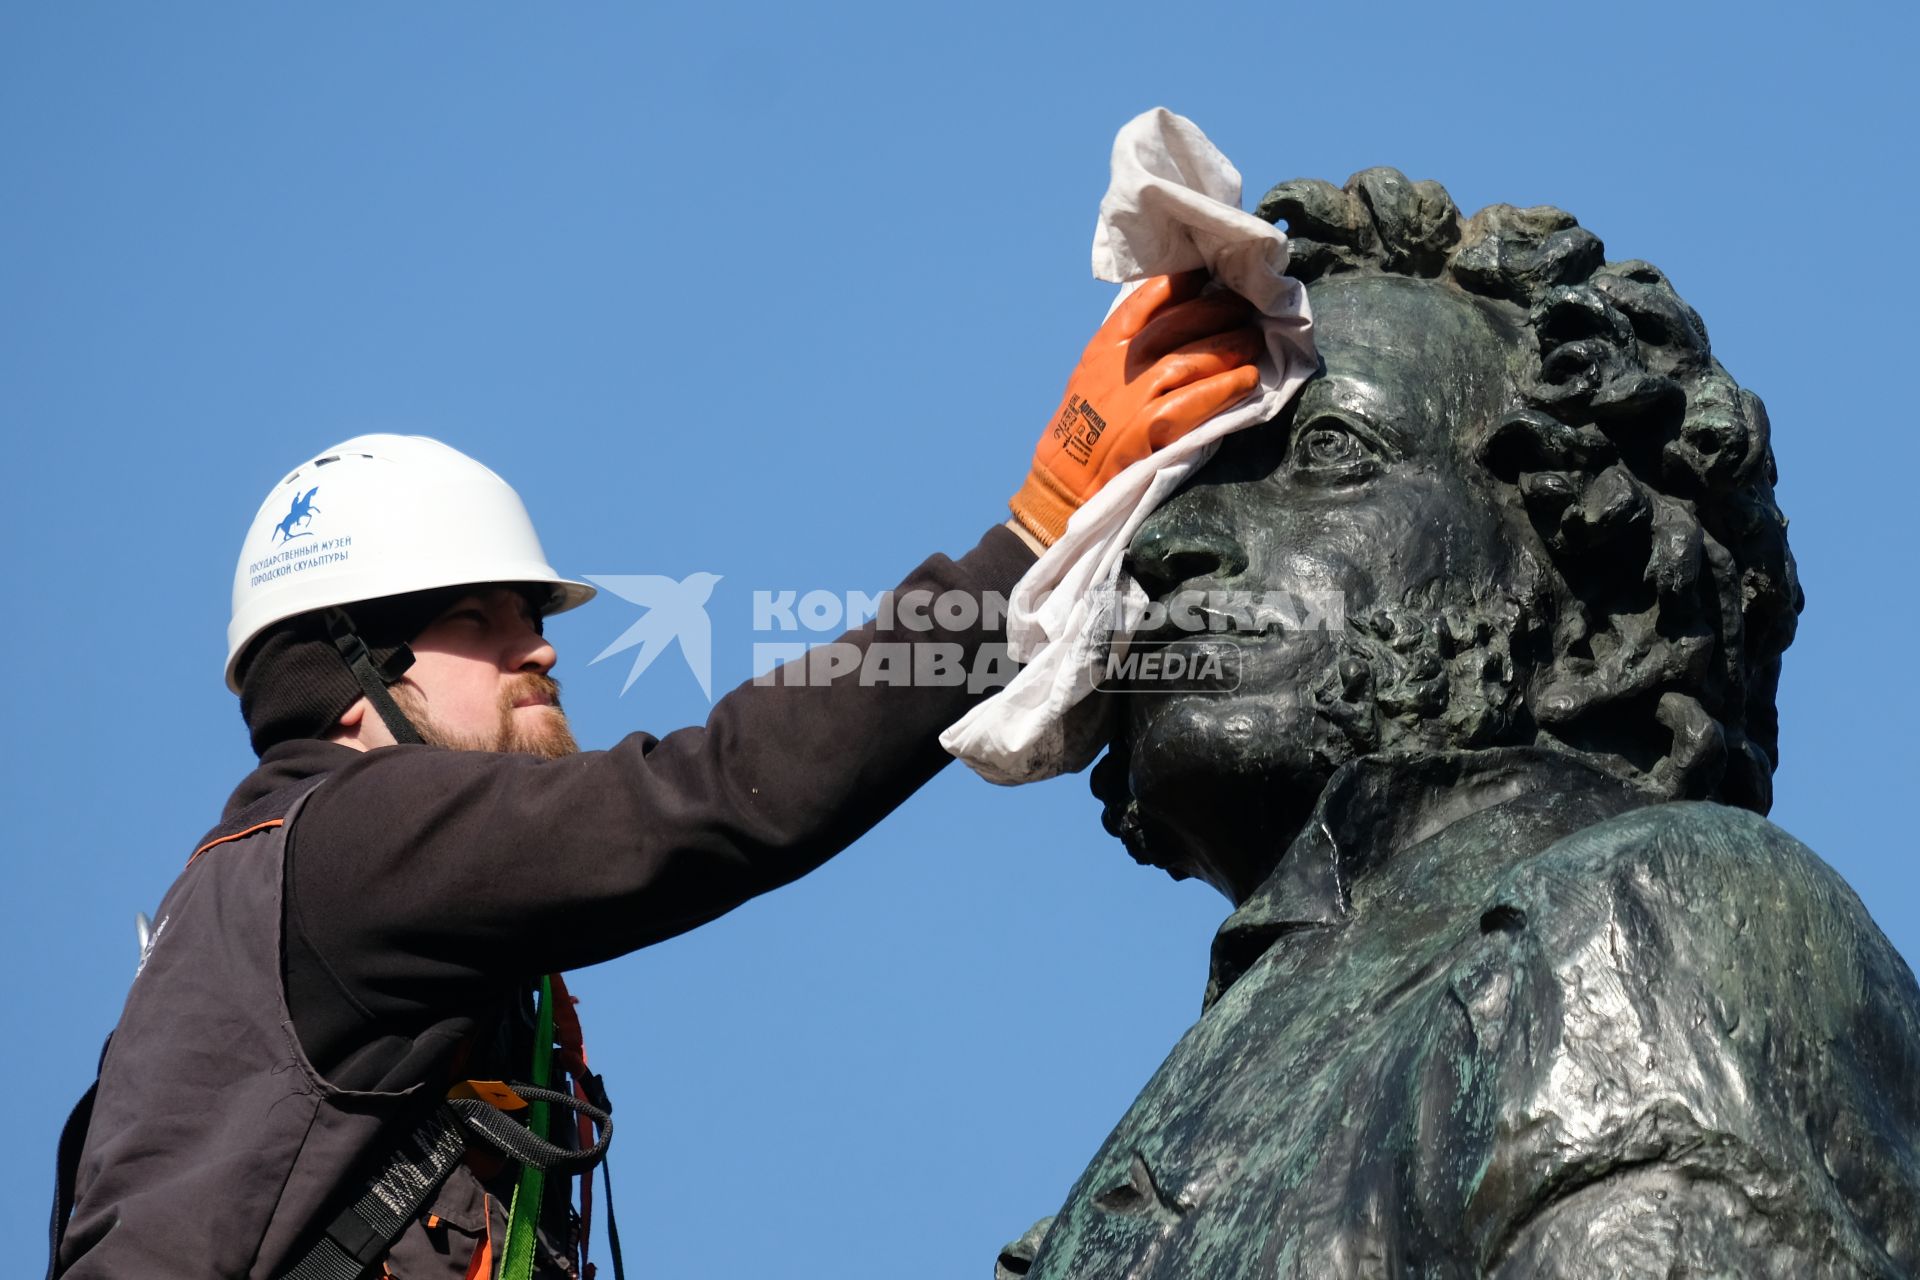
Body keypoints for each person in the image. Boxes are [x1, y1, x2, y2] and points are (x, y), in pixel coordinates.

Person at [49, 272, 1266, 1280]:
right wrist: (1030, 538)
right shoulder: (349, 844)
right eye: (483, 618)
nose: (542, 645)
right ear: (354, 677)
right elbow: (721, 795)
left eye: (535, 612)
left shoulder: (273, 928)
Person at [1001, 171, 1920, 1278]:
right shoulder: (1183, 1122)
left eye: (1331, 451)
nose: (1169, 539)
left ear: (1597, 600)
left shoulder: (1638, 911)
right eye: (1167, 492)